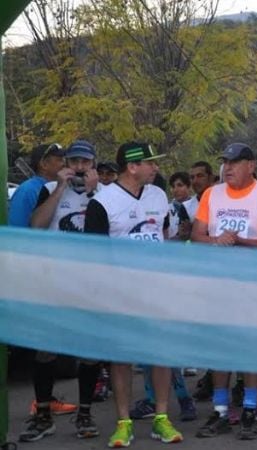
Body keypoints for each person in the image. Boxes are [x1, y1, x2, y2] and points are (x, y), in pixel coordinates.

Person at [84, 141, 183, 447]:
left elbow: (162, 235)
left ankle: (161, 419)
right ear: (132, 166)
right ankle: (124, 422)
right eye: (151, 163)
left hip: (156, 291)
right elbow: (94, 254)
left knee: (161, 355)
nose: (156, 167)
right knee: (122, 358)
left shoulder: (158, 194)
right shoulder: (103, 201)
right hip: (120, 293)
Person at [191, 143, 257, 440]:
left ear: (251, 165)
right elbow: (197, 234)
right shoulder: (212, 194)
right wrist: (216, 240)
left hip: (254, 285)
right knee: (220, 349)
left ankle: (248, 410)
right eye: (225, 163)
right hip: (218, 284)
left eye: (234, 162)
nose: (227, 168)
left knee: (250, 348)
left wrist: (242, 242)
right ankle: (220, 411)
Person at [21, 141, 101, 442]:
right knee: (45, 349)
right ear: (66, 163)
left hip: (89, 284)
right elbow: (37, 225)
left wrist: (92, 193)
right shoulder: (50, 189)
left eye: (85, 161)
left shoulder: (105, 194)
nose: (79, 167)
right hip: (53, 282)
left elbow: (105, 234)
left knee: (89, 352)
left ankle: (85, 413)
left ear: (93, 165)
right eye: (74, 161)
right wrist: (58, 190)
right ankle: (43, 415)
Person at [8, 143, 65, 227]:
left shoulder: (62, 186)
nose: (65, 163)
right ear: (44, 164)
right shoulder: (28, 190)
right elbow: (17, 230)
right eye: (60, 160)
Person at [167, 172, 192, 241]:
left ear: (189, 187)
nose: (175, 190)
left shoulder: (197, 206)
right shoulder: (166, 209)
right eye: (173, 186)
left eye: (180, 185)